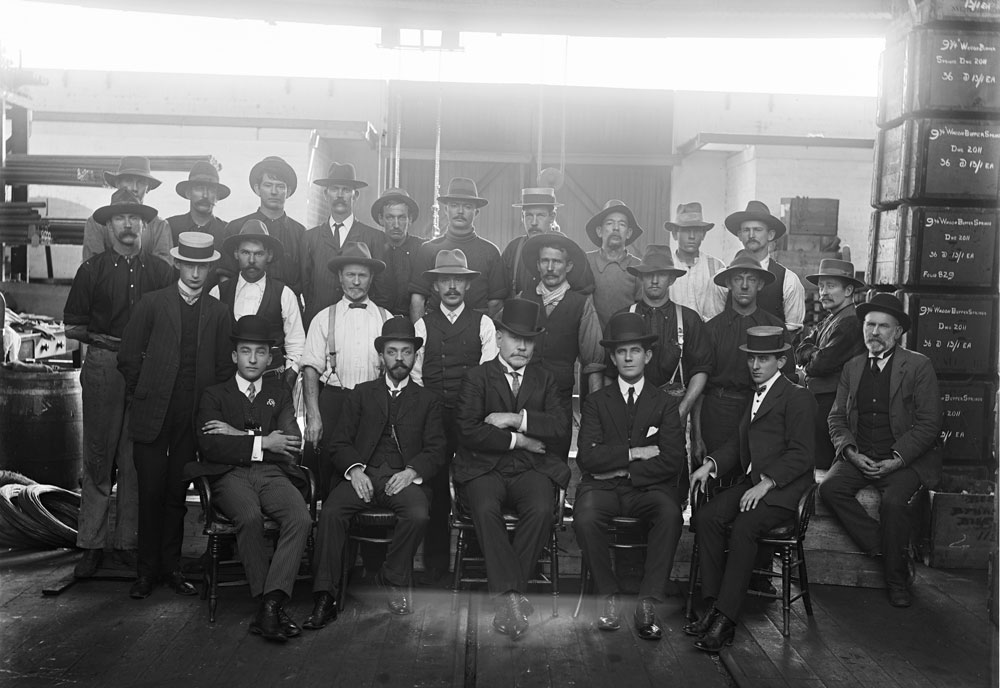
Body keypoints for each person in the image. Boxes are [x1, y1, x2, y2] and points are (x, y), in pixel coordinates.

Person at [303, 317, 447, 629]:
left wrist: (411, 471)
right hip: (363, 476)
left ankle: (391, 577)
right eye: (392, 351)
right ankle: (325, 595)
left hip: (402, 477)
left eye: (406, 352)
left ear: (414, 356)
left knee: (419, 513)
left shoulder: (428, 400)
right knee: (331, 512)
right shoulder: (361, 394)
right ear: (381, 356)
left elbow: (437, 450)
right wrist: (355, 470)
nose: (399, 358)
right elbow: (339, 442)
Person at [118, 232, 235, 599]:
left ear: (209, 268)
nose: (196, 273)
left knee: (176, 493)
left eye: (203, 266)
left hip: (191, 417)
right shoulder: (152, 304)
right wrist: (147, 392)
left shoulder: (217, 312)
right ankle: (145, 572)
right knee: (149, 491)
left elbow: (220, 369)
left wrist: (203, 408)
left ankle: (171, 568)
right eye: (190, 265)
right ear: (178, 264)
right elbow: (127, 358)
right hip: (153, 413)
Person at [63, 189, 175, 578]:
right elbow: (73, 324)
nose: (128, 226)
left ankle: (128, 543)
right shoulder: (90, 271)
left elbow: (172, 322)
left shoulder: (162, 273)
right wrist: (108, 343)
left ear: (145, 226)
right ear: (108, 227)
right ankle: (91, 545)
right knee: (98, 455)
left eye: (135, 219)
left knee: (134, 458)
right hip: (104, 366)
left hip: (146, 369)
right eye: (119, 219)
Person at [686, 326, 816, 652]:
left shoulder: (797, 397)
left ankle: (726, 621)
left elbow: (802, 453)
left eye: (764, 359)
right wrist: (710, 465)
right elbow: (736, 444)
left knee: (744, 526)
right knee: (707, 517)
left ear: (781, 360)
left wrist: (768, 482)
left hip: (783, 490)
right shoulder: (755, 394)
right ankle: (715, 605)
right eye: (752, 358)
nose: (755, 365)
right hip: (753, 485)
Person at [454, 298, 572, 640]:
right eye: (514, 337)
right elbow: (468, 429)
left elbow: (560, 427)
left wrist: (514, 419)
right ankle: (514, 597)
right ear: (499, 338)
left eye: (529, 339)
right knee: (486, 507)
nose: (522, 346)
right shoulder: (477, 377)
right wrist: (520, 439)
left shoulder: (546, 379)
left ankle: (508, 598)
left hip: (530, 469)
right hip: (484, 468)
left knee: (539, 507)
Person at [188, 315, 310, 643]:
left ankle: (270, 605)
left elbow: (292, 443)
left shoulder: (279, 393)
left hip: (272, 474)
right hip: (228, 476)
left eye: (260, 353)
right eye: (245, 351)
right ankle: (266, 605)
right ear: (234, 356)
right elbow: (211, 445)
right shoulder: (214, 395)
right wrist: (264, 441)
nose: (253, 359)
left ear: (270, 358)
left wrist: (239, 435)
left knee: (300, 516)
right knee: (249, 515)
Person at [820, 293, 942, 608]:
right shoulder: (852, 366)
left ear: (898, 331)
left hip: (901, 460)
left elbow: (930, 425)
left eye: (883, 326)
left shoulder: (919, 366)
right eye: (869, 324)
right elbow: (836, 417)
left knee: (893, 503)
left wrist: (896, 460)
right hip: (860, 453)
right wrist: (849, 451)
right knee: (830, 489)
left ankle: (896, 582)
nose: (874, 332)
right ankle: (888, 553)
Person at [573, 312, 686, 640]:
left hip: (647, 490)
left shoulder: (665, 403)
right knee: (586, 515)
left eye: (634, 350)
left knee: (669, 514)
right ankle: (608, 597)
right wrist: (633, 454)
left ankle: (648, 601)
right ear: (612, 357)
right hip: (602, 488)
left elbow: (672, 460)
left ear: (647, 356)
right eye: (621, 351)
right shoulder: (595, 402)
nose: (628, 357)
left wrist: (622, 469)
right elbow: (587, 458)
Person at [411, 249, 499, 583]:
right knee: (433, 488)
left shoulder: (484, 323)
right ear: (435, 287)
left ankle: (475, 563)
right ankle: (435, 568)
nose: (451, 286)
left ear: (467, 285)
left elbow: (490, 372)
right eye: (445, 280)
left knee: (474, 485)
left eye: (458, 280)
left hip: (470, 418)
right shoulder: (423, 324)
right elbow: (417, 374)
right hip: (433, 418)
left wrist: (473, 411)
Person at [299, 242, 390, 496]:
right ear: (340, 277)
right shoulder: (323, 318)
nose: (357, 282)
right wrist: (315, 417)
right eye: (351, 275)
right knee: (330, 471)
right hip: (335, 403)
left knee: (370, 471)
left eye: (362, 275)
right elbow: (310, 371)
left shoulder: (387, 319)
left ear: (371, 278)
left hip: (373, 403)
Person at [698, 251, 793, 462]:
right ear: (729, 284)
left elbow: (787, 382)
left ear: (760, 285)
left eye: (751, 279)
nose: (744, 285)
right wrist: (697, 436)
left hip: (762, 413)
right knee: (713, 476)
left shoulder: (775, 327)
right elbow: (699, 387)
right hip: (718, 413)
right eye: (738, 279)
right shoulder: (711, 329)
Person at [616, 244, 712, 423]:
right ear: (641, 278)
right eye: (648, 274)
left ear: (671, 279)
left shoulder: (689, 319)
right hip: (628, 410)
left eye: (661, 274)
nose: (654, 280)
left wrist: (682, 411)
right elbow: (609, 371)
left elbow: (701, 369)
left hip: (673, 408)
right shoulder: (623, 318)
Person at [210, 219, 304, 392]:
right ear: (236, 253)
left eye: (258, 254)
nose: (252, 260)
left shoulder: (284, 293)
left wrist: (288, 380)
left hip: (271, 383)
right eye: (246, 252)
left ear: (269, 255)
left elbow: (296, 344)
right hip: (226, 383)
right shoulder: (218, 292)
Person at [519, 232, 605, 412]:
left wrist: (596, 410)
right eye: (545, 261)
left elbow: (593, 362)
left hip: (560, 397)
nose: (550, 268)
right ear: (538, 265)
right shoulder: (522, 299)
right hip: (523, 395)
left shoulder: (582, 305)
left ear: (568, 266)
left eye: (557, 262)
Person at [795, 259, 866, 470]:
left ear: (849, 290)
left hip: (833, 404)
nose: (823, 292)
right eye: (821, 287)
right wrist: (811, 354)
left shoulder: (849, 322)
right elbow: (801, 350)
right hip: (820, 401)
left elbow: (820, 365)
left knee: (823, 464)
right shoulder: (831, 318)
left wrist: (810, 359)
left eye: (831, 286)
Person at [409, 178, 508, 321]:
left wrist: (485, 335)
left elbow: (496, 303)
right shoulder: (428, 249)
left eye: (467, 206)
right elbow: (417, 301)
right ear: (445, 209)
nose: (460, 211)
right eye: (454, 205)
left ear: (476, 212)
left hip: (477, 329)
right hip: (436, 328)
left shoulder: (490, 252)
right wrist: (421, 338)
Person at [301, 163, 385, 328]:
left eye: (346, 190)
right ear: (326, 194)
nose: (340, 195)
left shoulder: (374, 237)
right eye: (334, 189)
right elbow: (305, 285)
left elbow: (381, 288)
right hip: (319, 323)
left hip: (361, 323)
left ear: (356, 195)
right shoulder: (310, 237)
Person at [224, 156, 306, 299]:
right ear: (257, 189)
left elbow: (305, 280)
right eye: (268, 185)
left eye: (280, 186)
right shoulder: (236, 228)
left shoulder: (300, 233)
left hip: (286, 311)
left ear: (289, 191)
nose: (274, 192)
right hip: (243, 307)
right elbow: (225, 276)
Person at [724, 201, 805, 334]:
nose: (751, 235)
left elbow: (792, 332)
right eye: (746, 230)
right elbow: (714, 325)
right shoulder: (724, 276)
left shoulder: (788, 280)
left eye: (757, 230)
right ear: (739, 235)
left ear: (770, 235)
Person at [500, 187, 595, 297]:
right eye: (529, 215)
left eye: (540, 215)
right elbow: (500, 296)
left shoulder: (571, 251)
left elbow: (585, 295)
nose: (534, 222)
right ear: (522, 217)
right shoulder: (513, 249)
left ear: (552, 217)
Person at [82, 156, 173, 266]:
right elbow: (92, 267)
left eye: (141, 182)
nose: (134, 188)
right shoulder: (97, 224)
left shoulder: (159, 226)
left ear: (148, 188)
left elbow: (163, 271)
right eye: (129, 180)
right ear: (117, 184)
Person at [584, 200, 643, 330]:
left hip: (626, 340)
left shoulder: (638, 267)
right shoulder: (585, 262)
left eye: (622, 224)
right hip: (592, 342)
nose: (616, 228)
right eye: (610, 223)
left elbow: (642, 311)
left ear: (628, 233)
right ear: (599, 231)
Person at [665, 202, 727, 322]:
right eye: (686, 230)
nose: (692, 236)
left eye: (697, 230)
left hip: (707, 334)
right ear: (674, 234)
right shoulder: (667, 266)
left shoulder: (716, 266)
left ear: (703, 234)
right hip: (673, 333)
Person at [368, 187, 425, 317]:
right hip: (377, 322)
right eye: (390, 217)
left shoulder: (421, 249)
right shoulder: (371, 249)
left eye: (401, 217)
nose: (396, 224)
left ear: (410, 219)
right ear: (381, 219)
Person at [166, 161, 230, 249]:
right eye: (199, 188)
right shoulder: (170, 227)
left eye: (211, 190)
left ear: (217, 196)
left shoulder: (227, 231)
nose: (205, 195)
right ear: (188, 193)